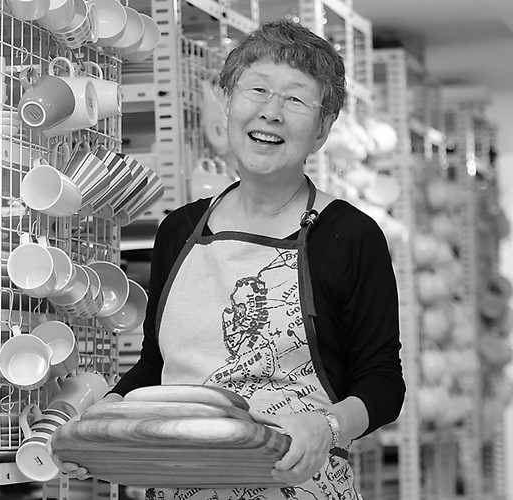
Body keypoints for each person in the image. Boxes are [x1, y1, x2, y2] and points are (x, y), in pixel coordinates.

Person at [53, 20, 405, 499]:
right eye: (257, 90)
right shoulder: (179, 230)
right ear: (228, 102)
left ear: (322, 130)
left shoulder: (349, 236)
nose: (271, 112)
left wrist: (328, 425)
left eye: (296, 99)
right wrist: (101, 424)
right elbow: (156, 365)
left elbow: (382, 382)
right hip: (180, 486)